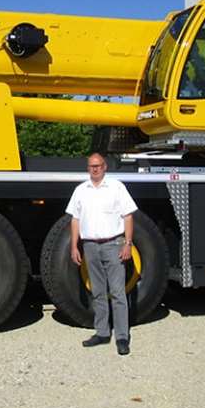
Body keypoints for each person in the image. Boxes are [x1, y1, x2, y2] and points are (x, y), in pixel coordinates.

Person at [66, 152, 138, 356]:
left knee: (117, 292)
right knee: (97, 292)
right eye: (91, 166)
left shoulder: (116, 187)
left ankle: (122, 337)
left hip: (114, 244)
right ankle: (102, 332)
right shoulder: (81, 190)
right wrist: (74, 246)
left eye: (98, 165)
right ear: (88, 168)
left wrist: (128, 244)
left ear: (105, 167)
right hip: (90, 246)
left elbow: (128, 216)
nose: (94, 169)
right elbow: (75, 220)